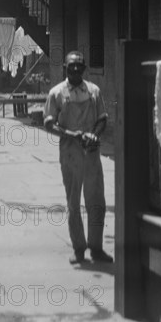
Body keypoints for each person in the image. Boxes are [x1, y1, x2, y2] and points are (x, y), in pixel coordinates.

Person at [43, 51, 113, 265]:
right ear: (65, 68)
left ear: (84, 69)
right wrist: (72, 134)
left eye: (78, 67)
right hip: (70, 153)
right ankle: (79, 248)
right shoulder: (56, 93)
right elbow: (48, 123)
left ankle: (97, 247)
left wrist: (94, 134)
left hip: (91, 153)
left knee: (96, 201)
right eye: (70, 67)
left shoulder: (94, 91)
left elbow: (103, 119)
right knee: (73, 203)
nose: (74, 70)